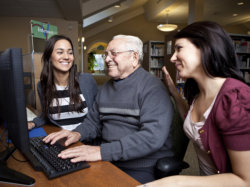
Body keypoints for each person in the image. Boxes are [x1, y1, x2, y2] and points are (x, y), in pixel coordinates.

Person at [43, 34, 174, 183]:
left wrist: (102, 151)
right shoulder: (106, 88)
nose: (106, 59)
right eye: (106, 54)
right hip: (109, 159)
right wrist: (77, 133)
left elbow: (151, 138)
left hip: (141, 166)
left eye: (114, 54)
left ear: (134, 57)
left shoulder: (152, 88)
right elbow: (93, 123)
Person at [140, 21, 250, 186]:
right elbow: (193, 120)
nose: (172, 57)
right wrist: (174, 93)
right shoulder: (196, 91)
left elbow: (245, 180)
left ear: (205, 47)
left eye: (179, 48)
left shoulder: (234, 98)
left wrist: (174, 182)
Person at [28, 35, 98, 131]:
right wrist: (33, 123)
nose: (66, 57)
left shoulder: (86, 80)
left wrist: (78, 135)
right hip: (60, 139)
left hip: (84, 140)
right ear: (49, 57)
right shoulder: (42, 86)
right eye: (60, 52)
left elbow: (97, 116)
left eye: (70, 53)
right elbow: (46, 115)